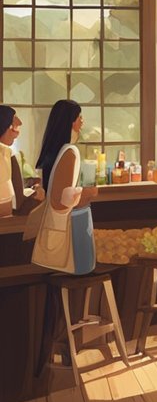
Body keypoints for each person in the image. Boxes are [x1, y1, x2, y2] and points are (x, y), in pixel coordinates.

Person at [27, 100, 98, 275]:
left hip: (53, 228)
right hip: (67, 231)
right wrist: (89, 192)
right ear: (71, 122)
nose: (82, 122)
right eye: (79, 117)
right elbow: (63, 198)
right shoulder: (70, 152)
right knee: (80, 277)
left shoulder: (55, 151)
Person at [0, 106, 44, 217]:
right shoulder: (6, 154)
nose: (16, 133)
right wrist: (37, 197)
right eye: (13, 127)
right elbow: (15, 205)